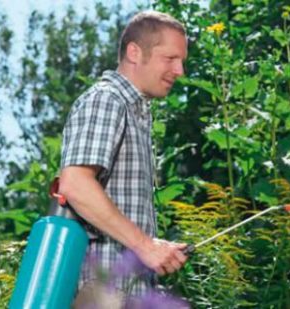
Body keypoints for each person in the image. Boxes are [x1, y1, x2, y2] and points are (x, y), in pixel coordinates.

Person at [57, 10, 188, 300]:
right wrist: (146, 246)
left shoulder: (136, 113)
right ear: (134, 52)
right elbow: (75, 183)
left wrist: (154, 247)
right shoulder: (107, 100)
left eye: (181, 61)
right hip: (104, 288)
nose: (179, 71)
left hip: (130, 291)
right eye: (170, 58)